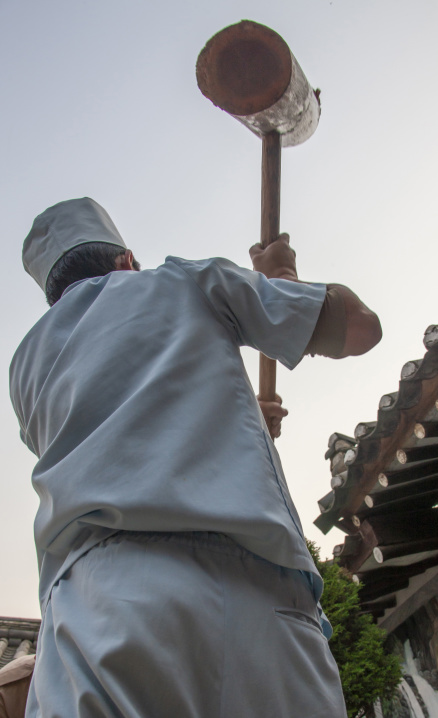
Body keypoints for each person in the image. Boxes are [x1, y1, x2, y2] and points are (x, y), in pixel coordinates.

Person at [10, 197, 381, 718]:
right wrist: (282, 276)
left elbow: (117, 429)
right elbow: (361, 329)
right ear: (125, 260)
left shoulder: (25, 368)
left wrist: (243, 412)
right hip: (248, 594)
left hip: (89, 607)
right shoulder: (181, 280)